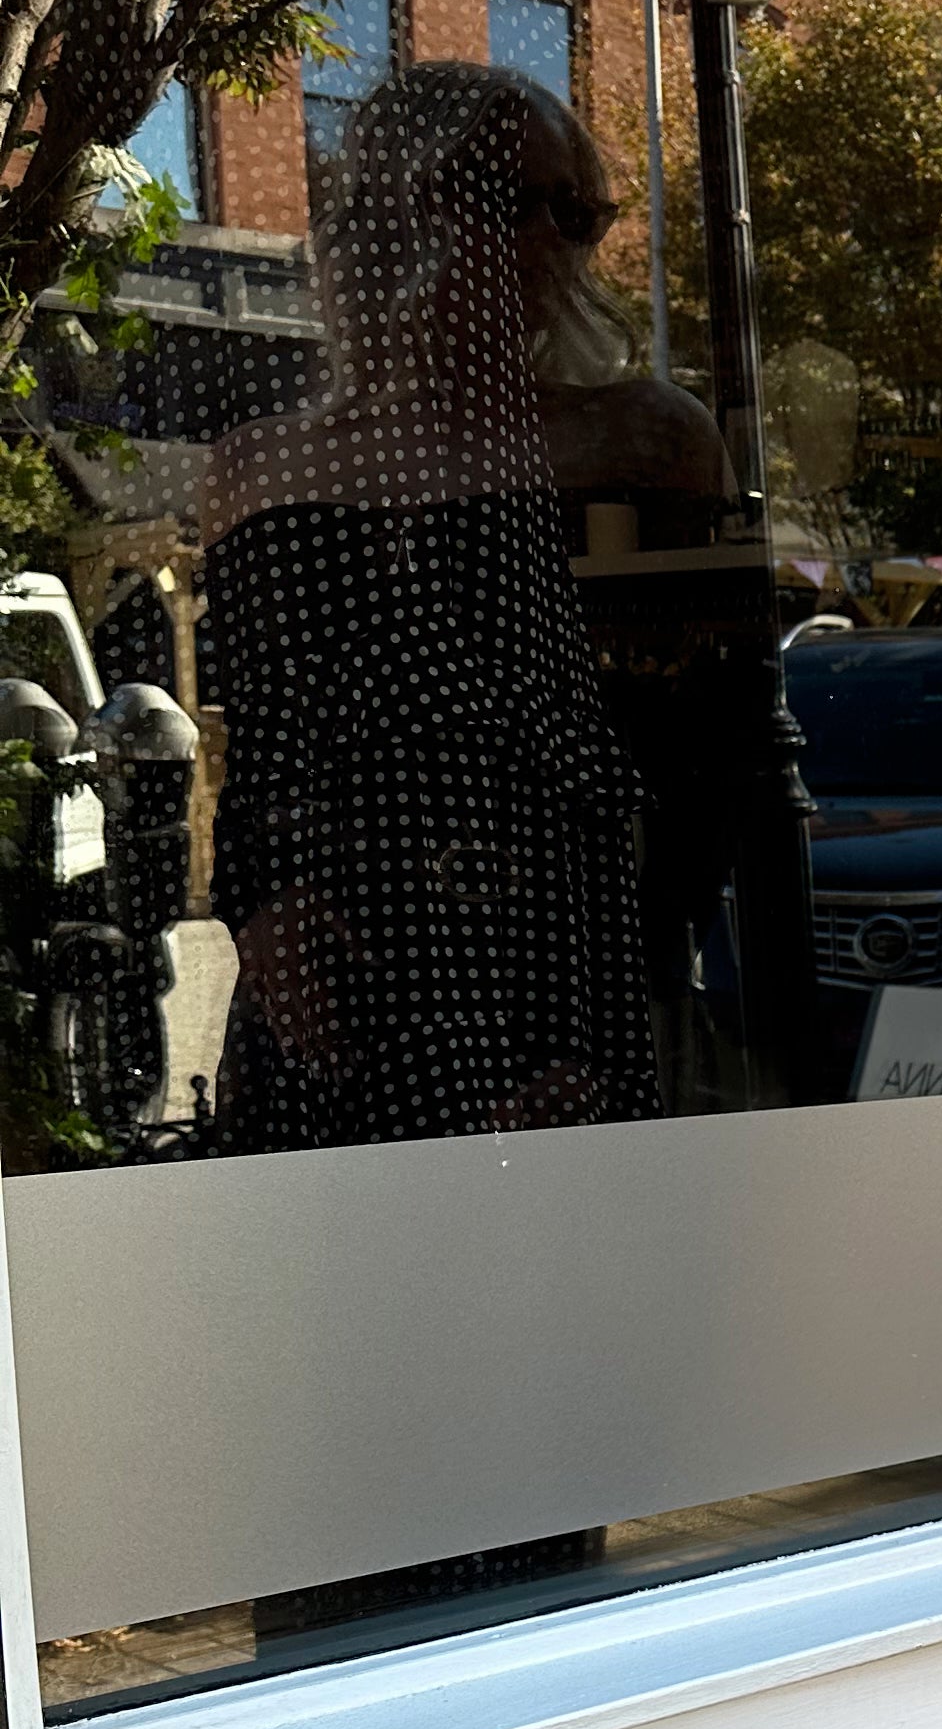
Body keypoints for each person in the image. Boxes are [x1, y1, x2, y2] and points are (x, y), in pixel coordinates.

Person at [201, 61, 660, 1156]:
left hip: (558, 968)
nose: (549, 243)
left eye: (576, 213)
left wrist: (621, 1005)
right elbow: (259, 755)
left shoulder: (638, 442)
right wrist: (270, 920)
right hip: (345, 987)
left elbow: (702, 760)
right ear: (399, 216)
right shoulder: (267, 469)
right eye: (507, 201)